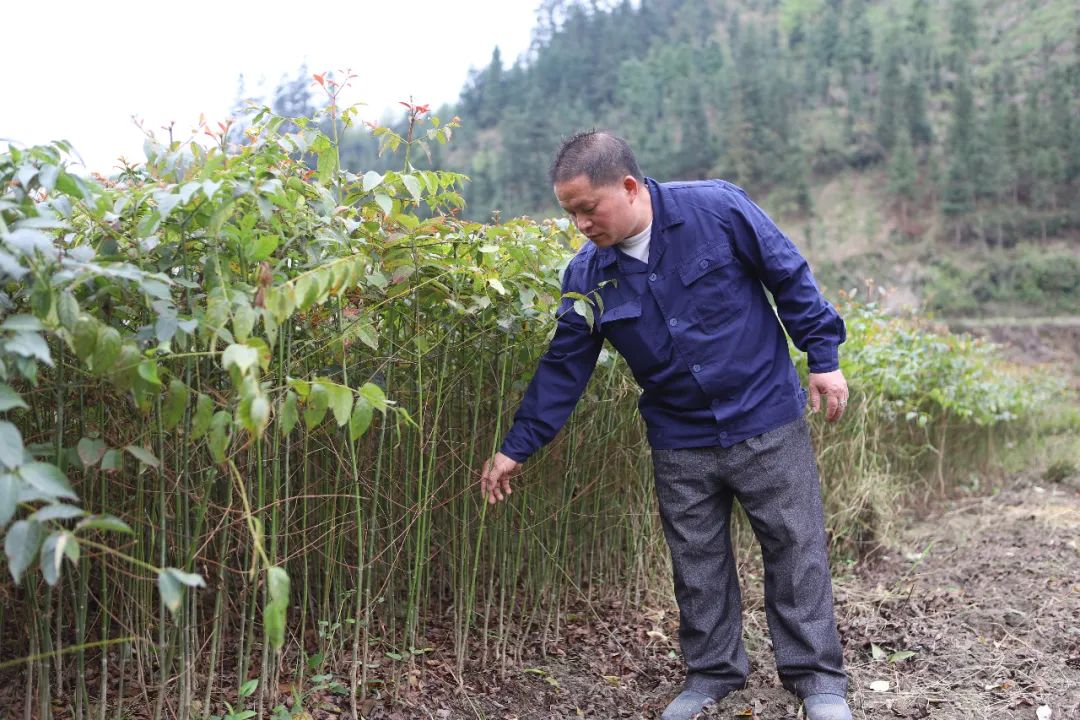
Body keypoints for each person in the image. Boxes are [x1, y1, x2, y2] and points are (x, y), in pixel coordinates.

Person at [479, 131, 852, 720]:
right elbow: (563, 367)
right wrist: (515, 448)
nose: (579, 224)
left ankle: (817, 681)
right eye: (568, 212)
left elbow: (788, 275)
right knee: (696, 563)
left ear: (628, 187)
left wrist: (823, 360)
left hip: (765, 418)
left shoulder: (718, 208)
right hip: (680, 437)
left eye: (587, 208)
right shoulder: (587, 276)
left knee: (794, 548)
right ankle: (711, 675)